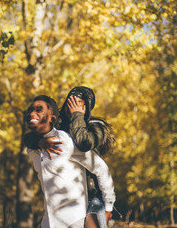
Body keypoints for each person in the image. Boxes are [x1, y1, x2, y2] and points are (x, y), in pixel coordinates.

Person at [25, 87, 115, 228]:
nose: (72, 106)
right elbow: (32, 134)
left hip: (93, 195)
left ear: (86, 108)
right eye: (69, 101)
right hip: (59, 209)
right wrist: (39, 142)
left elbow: (84, 143)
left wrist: (77, 115)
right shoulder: (57, 125)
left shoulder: (96, 127)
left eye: (78, 103)